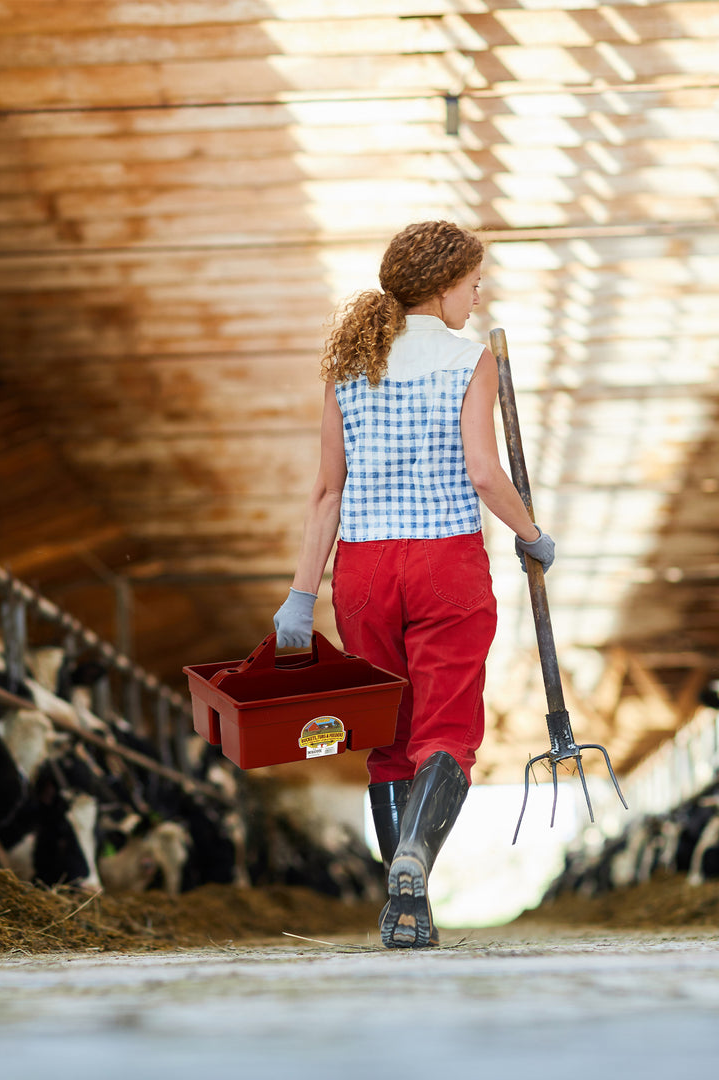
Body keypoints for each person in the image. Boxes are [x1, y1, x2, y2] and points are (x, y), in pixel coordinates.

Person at [272, 220, 554, 949]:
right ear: (442, 285)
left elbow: (326, 493)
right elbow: (486, 473)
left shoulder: (347, 365)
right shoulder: (469, 360)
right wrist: (531, 535)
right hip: (445, 564)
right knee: (448, 734)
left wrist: (302, 596)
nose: (477, 293)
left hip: (364, 571)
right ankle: (414, 859)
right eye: (472, 282)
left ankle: (407, 909)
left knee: (389, 739)